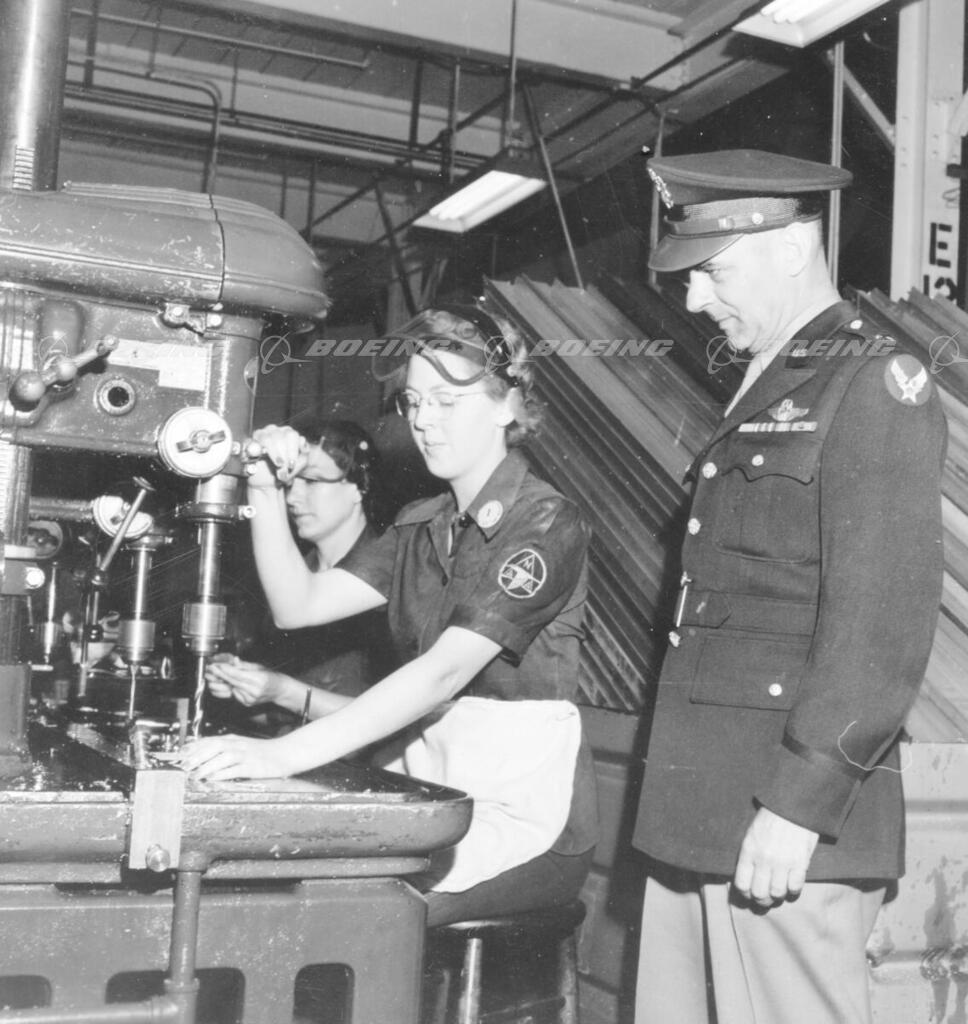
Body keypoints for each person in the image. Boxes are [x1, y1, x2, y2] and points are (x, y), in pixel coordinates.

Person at [632, 150, 946, 1024]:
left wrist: (800, 806)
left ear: (791, 246)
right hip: (698, 808)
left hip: (783, 823)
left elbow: (880, 621)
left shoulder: (874, 382)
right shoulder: (771, 380)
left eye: (714, 271)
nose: (695, 299)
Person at [178, 304, 598, 926]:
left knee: (349, 914)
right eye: (414, 402)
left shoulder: (544, 521)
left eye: (446, 401)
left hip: (523, 814)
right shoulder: (421, 524)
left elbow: (442, 675)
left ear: (507, 406)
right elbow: (298, 604)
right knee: (280, 886)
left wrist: (279, 755)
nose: (423, 420)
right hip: (437, 789)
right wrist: (263, 487)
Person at [205, 418, 395, 730]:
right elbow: (286, 715)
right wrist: (244, 686)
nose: (292, 498)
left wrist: (281, 690)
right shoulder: (291, 574)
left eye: (312, 481)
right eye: (290, 483)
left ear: (360, 487)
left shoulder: (394, 576)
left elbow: (394, 718)